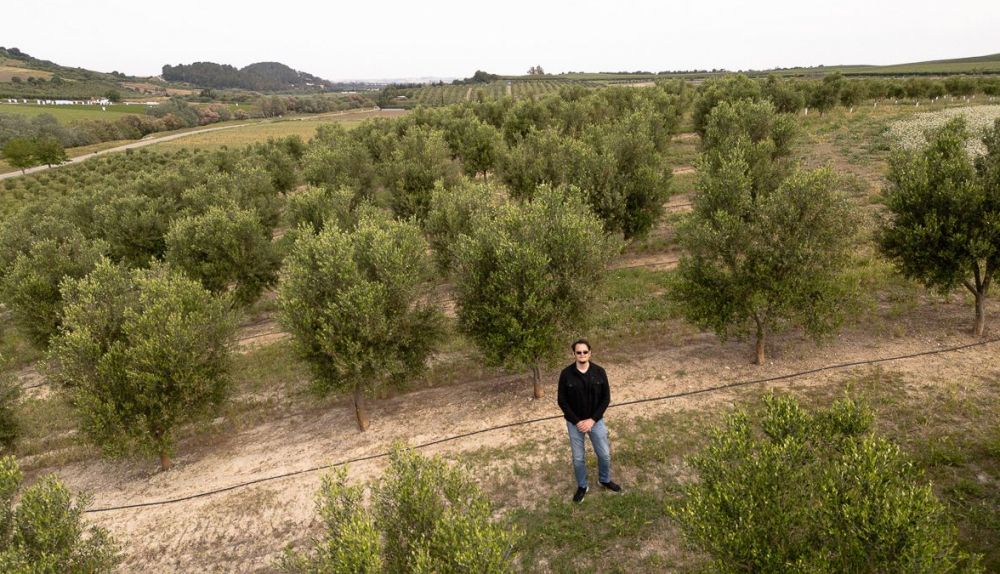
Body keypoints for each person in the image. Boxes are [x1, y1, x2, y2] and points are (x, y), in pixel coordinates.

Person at [557, 338, 621, 503]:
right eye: (578, 352)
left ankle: (604, 480)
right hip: (575, 423)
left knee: (604, 455)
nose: (582, 354)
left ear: (590, 353)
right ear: (573, 354)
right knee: (578, 458)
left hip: (596, 421)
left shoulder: (600, 372)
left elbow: (606, 399)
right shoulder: (566, 374)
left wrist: (592, 420)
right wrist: (577, 421)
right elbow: (562, 401)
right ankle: (582, 486)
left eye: (585, 352)